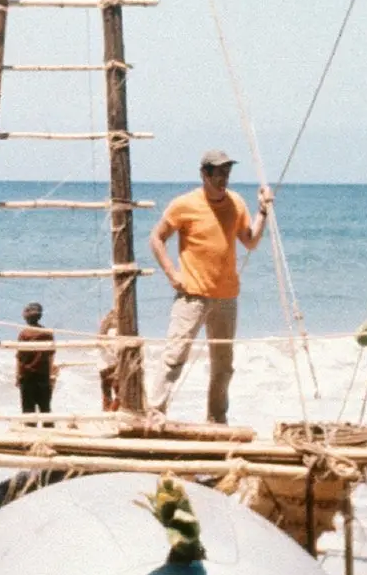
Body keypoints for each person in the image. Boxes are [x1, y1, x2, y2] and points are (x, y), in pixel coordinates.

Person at [148, 149, 274, 424]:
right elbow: (157, 239)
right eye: (218, 174)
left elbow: (250, 241)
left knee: (223, 366)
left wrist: (262, 212)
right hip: (192, 295)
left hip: (226, 297)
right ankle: (155, 413)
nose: (223, 179)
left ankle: (216, 419)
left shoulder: (236, 203)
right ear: (204, 174)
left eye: (227, 174)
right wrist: (172, 274)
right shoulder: (184, 204)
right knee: (174, 356)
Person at [15, 302, 54, 416]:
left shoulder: (24, 334)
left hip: (27, 375)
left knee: (28, 409)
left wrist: (17, 375)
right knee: (45, 408)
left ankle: (30, 429)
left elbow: (20, 358)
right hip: (43, 374)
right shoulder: (47, 333)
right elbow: (51, 356)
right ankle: (48, 429)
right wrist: (50, 374)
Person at [97, 309, 122, 412]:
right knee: (121, 394)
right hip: (113, 366)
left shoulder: (101, 335)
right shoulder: (115, 333)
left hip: (103, 367)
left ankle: (107, 413)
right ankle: (112, 411)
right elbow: (116, 352)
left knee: (106, 394)